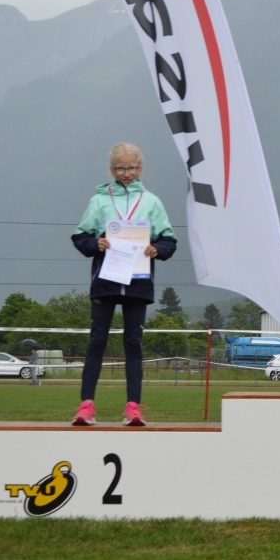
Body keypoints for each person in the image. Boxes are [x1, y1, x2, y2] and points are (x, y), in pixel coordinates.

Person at [70, 143, 177, 426]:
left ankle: (133, 408)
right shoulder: (99, 200)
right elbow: (80, 236)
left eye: (131, 168)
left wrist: (157, 249)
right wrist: (95, 243)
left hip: (137, 282)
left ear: (140, 169)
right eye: (120, 168)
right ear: (111, 170)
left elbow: (169, 240)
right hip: (105, 280)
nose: (126, 173)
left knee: (133, 343)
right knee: (97, 341)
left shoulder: (151, 201)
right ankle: (86, 406)